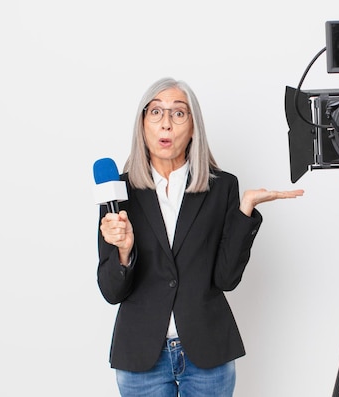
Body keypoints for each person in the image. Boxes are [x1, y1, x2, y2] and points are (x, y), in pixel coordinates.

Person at [97, 77, 304, 397]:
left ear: (194, 128)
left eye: (179, 113)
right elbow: (112, 291)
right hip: (140, 355)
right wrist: (123, 252)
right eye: (155, 112)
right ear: (142, 125)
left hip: (207, 352)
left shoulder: (222, 187)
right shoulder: (118, 194)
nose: (166, 123)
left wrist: (244, 211)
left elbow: (226, 279)